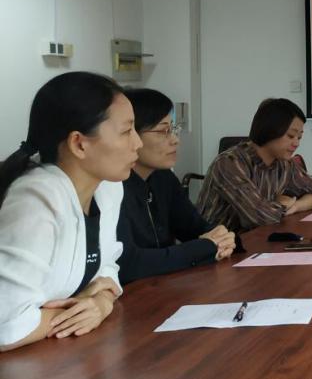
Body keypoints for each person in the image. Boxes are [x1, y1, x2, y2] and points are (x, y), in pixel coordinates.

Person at [0, 72, 140, 351]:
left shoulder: (107, 188)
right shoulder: (36, 199)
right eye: (126, 132)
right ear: (79, 143)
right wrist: (78, 311)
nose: (138, 143)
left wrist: (101, 302)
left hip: (58, 353)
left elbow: (108, 268)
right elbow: (6, 326)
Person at [117, 89, 235, 284]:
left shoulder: (162, 177)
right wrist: (205, 247)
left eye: (173, 129)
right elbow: (130, 264)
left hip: (162, 286)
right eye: (163, 131)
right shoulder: (111, 187)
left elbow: (194, 228)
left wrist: (223, 237)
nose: (175, 140)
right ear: (131, 135)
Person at [198, 98, 312, 232]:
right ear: (270, 130)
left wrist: (296, 205)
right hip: (216, 242)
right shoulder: (229, 163)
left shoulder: (284, 164)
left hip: (259, 238)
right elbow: (259, 216)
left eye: (299, 137)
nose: (296, 143)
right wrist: (281, 204)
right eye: (291, 136)